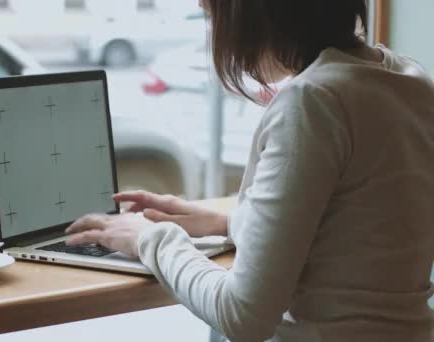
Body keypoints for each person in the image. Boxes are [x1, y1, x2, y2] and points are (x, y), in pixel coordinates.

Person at [66, 0, 434, 340]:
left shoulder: (315, 102)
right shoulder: (407, 78)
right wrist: (228, 222)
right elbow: (354, 236)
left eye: (214, 15)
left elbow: (243, 314)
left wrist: (151, 239)